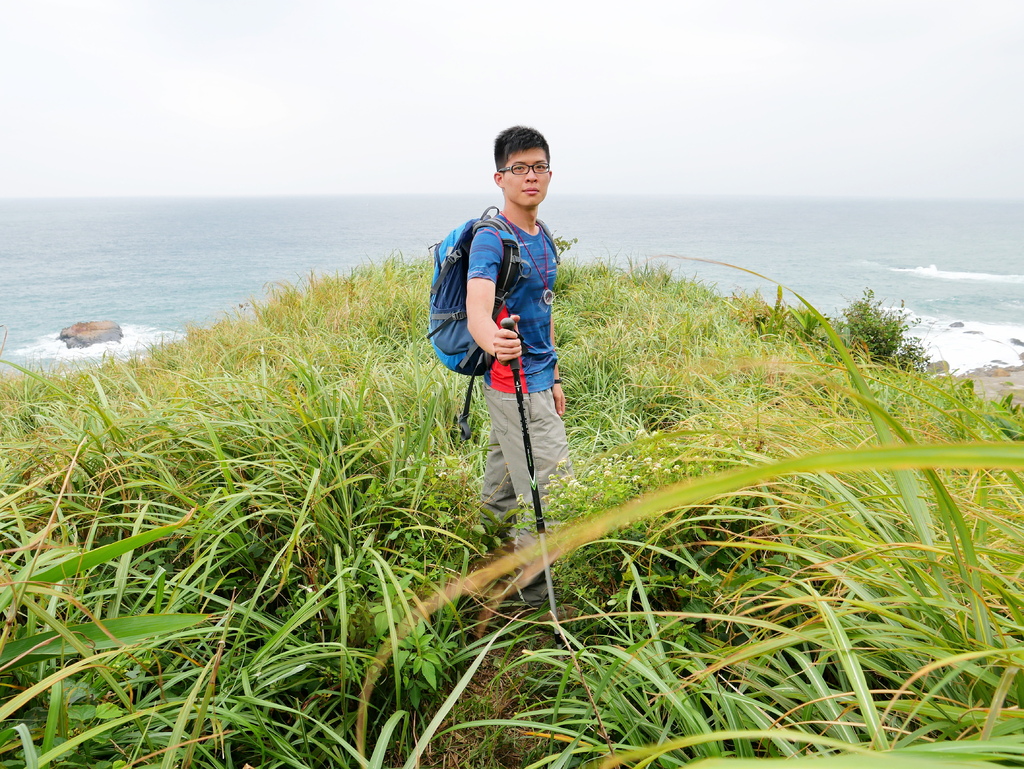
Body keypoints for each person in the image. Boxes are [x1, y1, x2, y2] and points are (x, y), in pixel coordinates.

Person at [465, 125, 572, 609]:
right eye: (519, 168)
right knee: (551, 489)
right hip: (511, 383)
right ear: (499, 177)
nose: (531, 176)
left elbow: (542, 313)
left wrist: (554, 379)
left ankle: (486, 570)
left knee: (504, 487)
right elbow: (477, 310)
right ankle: (530, 597)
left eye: (539, 166)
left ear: (550, 173)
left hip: (536, 381)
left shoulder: (542, 235)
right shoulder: (492, 239)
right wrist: (495, 342)